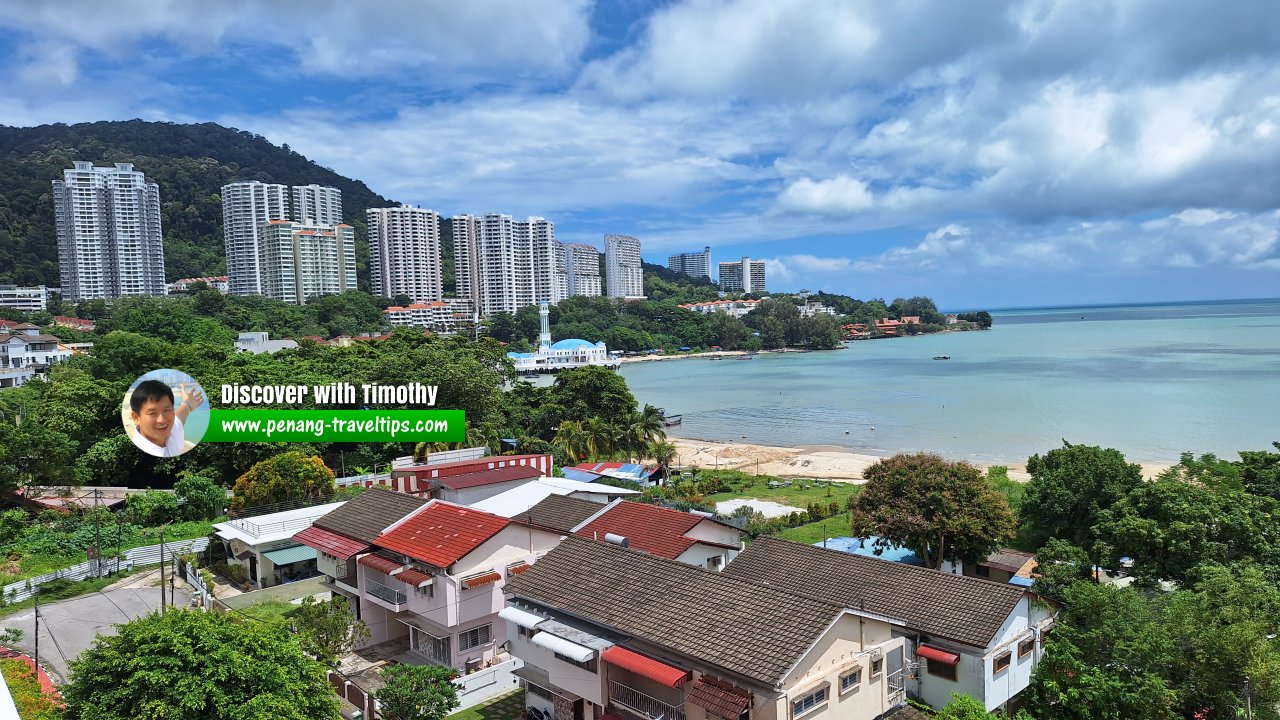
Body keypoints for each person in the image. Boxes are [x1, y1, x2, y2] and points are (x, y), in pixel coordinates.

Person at [128, 379, 204, 457]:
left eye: (166, 410)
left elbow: (180, 416)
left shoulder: (172, 431)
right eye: (152, 413)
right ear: (136, 418)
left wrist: (187, 404)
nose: (162, 420)